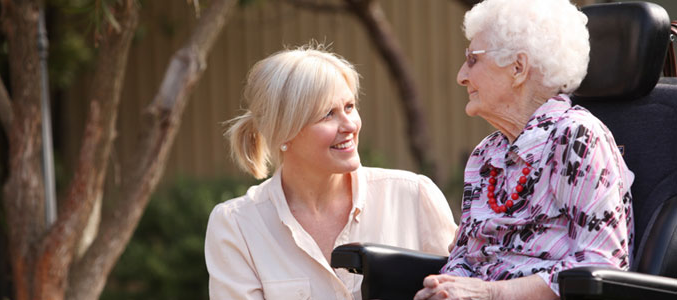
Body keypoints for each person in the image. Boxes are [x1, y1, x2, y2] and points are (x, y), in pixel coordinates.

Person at [414, 0, 634, 299]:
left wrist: (491, 293)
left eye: (472, 60)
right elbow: (465, 259)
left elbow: (602, 263)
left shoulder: (575, 138)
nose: (461, 75)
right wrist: (444, 289)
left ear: (518, 68)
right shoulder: (485, 154)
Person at [205, 44, 457, 299]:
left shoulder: (414, 196)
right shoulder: (236, 225)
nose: (350, 125)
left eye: (349, 106)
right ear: (283, 132)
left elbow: (467, 286)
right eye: (328, 115)